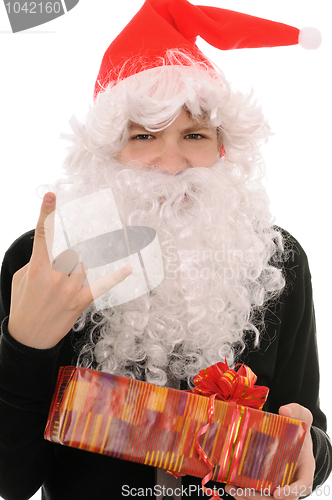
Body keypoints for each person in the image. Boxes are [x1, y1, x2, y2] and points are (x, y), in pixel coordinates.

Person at [0, 1, 331, 499]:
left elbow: (306, 433)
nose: (172, 164)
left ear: (222, 147)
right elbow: (11, 480)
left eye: (194, 134)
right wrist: (25, 344)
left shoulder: (275, 260)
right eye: (145, 136)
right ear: (109, 151)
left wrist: (311, 452)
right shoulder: (46, 263)